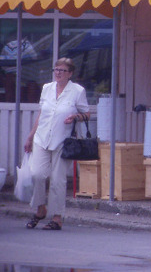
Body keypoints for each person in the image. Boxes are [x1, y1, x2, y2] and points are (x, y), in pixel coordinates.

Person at [24, 58, 89, 230]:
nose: (58, 73)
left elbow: (86, 114)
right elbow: (41, 115)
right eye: (56, 70)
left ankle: (57, 217)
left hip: (63, 140)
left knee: (58, 180)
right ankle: (40, 209)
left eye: (62, 70)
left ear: (70, 74)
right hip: (42, 137)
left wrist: (76, 117)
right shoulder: (47, 88)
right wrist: (30, 137)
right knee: (37, 174)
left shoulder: (77, 91)